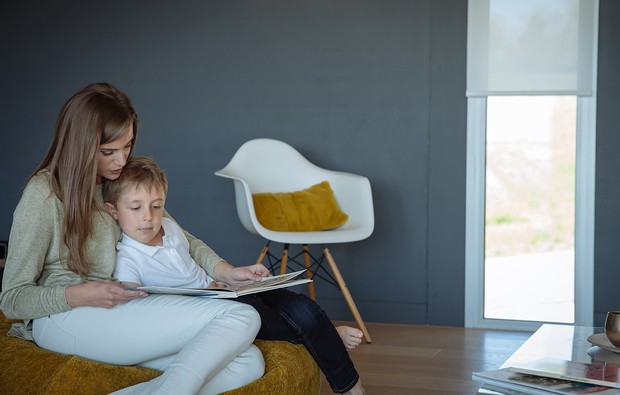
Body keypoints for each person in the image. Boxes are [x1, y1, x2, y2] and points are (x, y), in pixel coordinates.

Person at [2, 82, 366, 394]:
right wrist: (80, 293)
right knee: (240, 319)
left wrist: (225, 272)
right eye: (108, 151)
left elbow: (182, 237)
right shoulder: (45, 195)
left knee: (248, 363)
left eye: (127, 146)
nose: (121, 160)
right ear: (80, 147)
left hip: (122, 308)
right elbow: (12, 299)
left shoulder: (117, 182)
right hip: (66, 316)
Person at [102, 156, 363, 352]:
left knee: (274, 295)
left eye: (157, 206)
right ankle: (319, 337)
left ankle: (324, 330)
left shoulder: (169, 227)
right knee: (261, 317)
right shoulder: (128, 257)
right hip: (199, 310)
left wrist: (221, 281)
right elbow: (134, 298)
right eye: (136, 208)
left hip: (217, 290)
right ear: (113, 211)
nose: (148, 217)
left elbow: (194, 259)